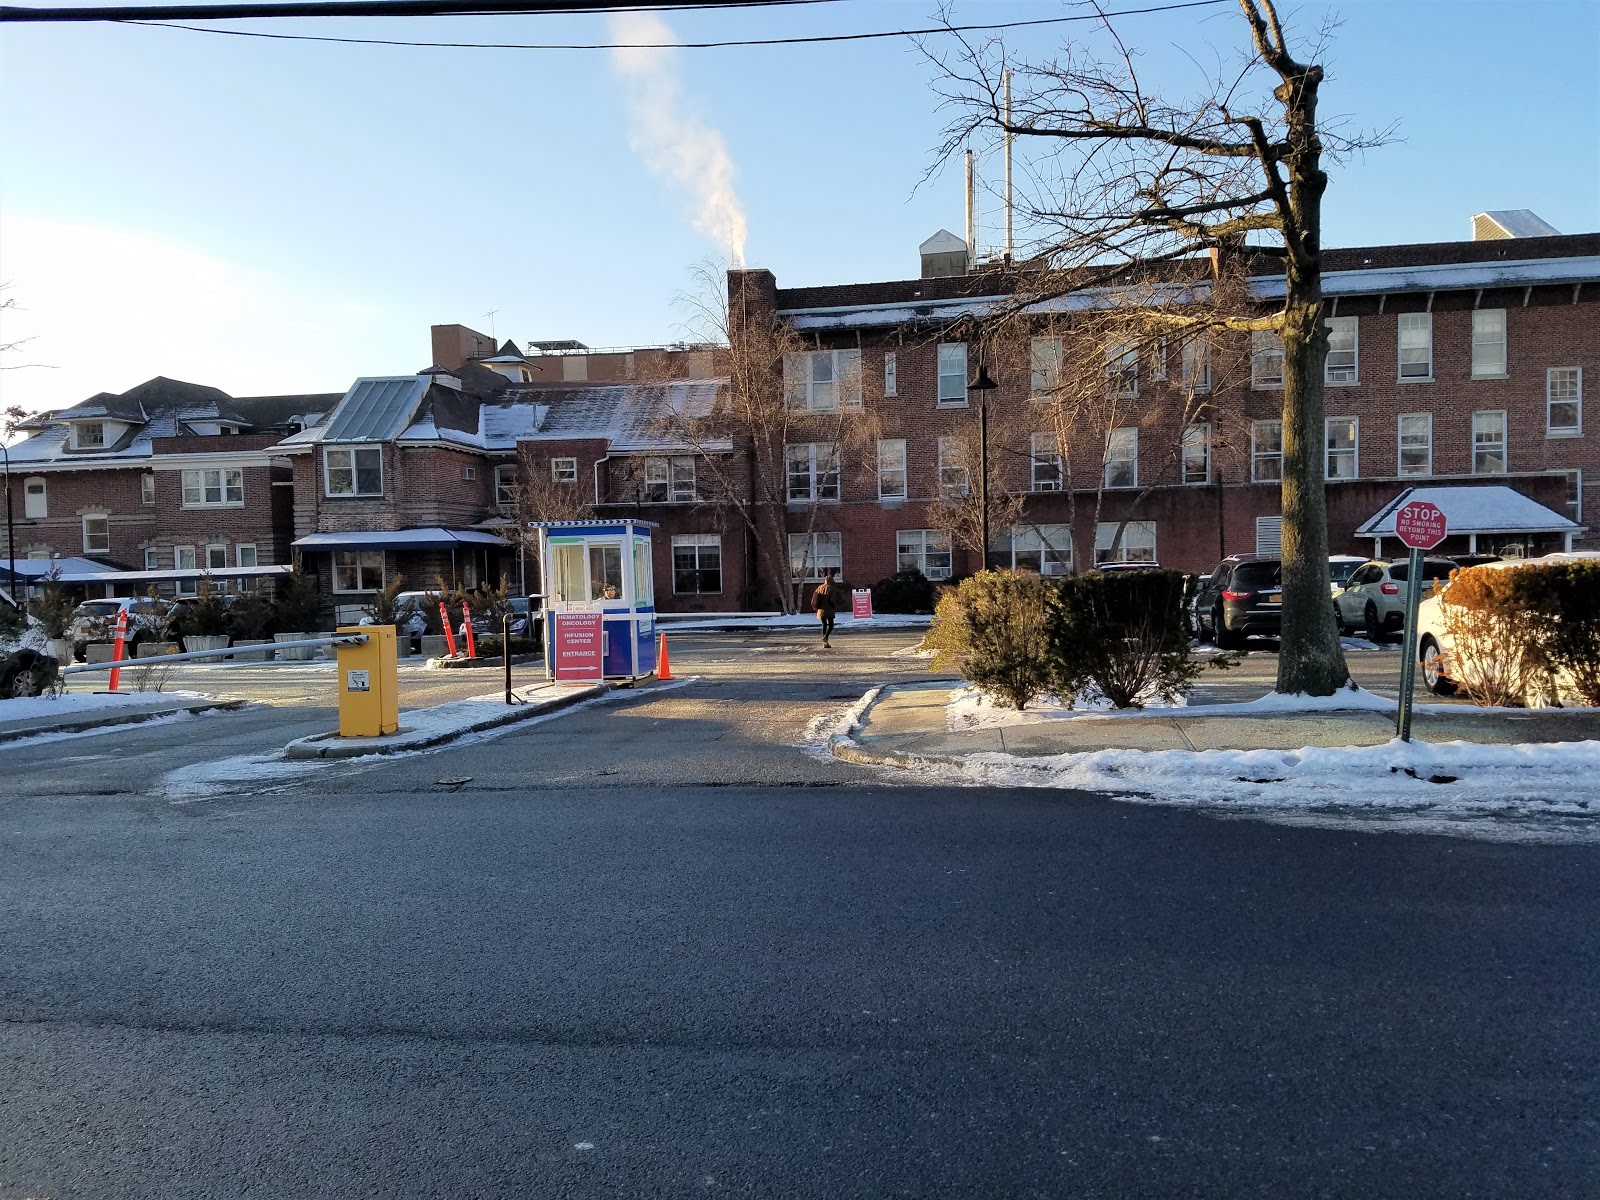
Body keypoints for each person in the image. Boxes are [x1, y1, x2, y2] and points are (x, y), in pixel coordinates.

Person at [811, 567, 845, 649]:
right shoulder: (832, 589)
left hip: (820, 609)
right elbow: (832, 600)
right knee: (831, 624)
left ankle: (825, 643)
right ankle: (825, 637)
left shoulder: (820, 587)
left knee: (824, 624)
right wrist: (834, 606)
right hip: (829, 609)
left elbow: (815, 597)